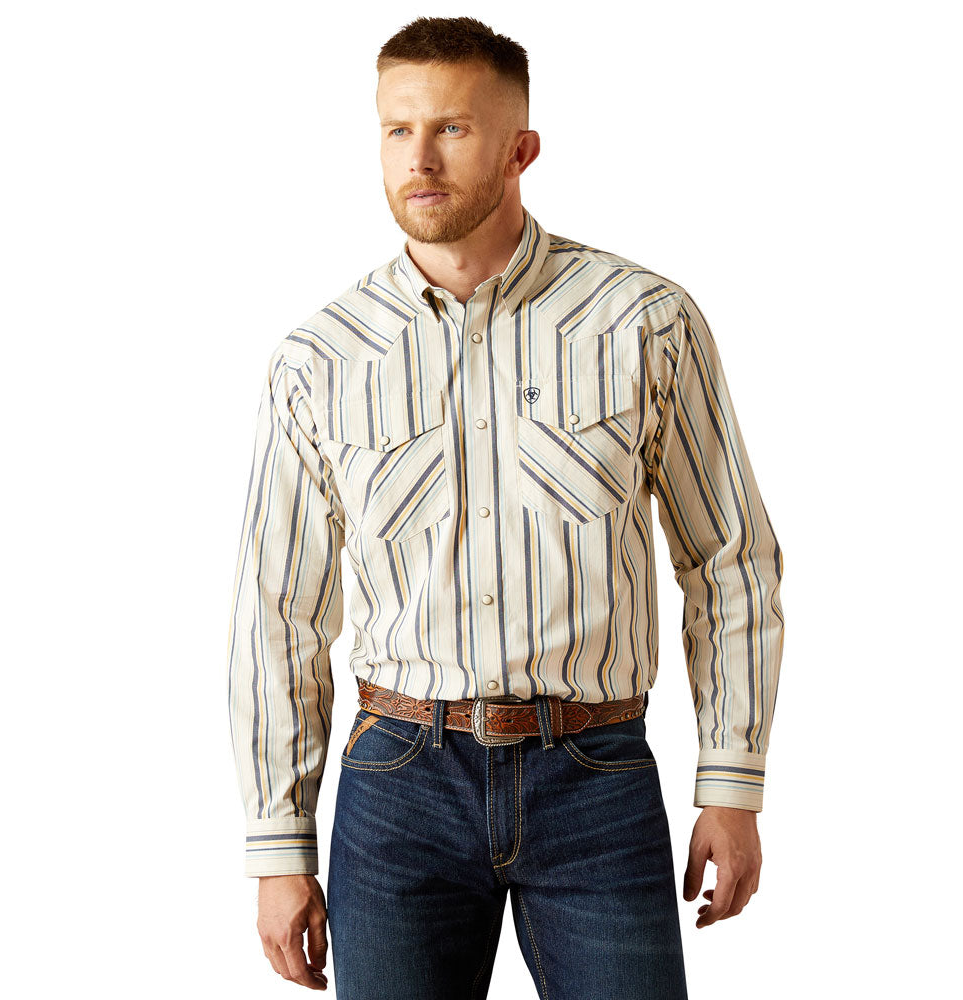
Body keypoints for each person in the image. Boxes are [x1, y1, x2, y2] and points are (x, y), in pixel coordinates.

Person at [226, 15, 785, 999]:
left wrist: (731, 783)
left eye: (452, 128)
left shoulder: (643, 321)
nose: (419, 158)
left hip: (596, 777)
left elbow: (728, 558)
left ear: (521, 148)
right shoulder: (320, 359)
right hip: (398, 786)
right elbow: (279, 613)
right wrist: (279, 845)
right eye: (397, 130)